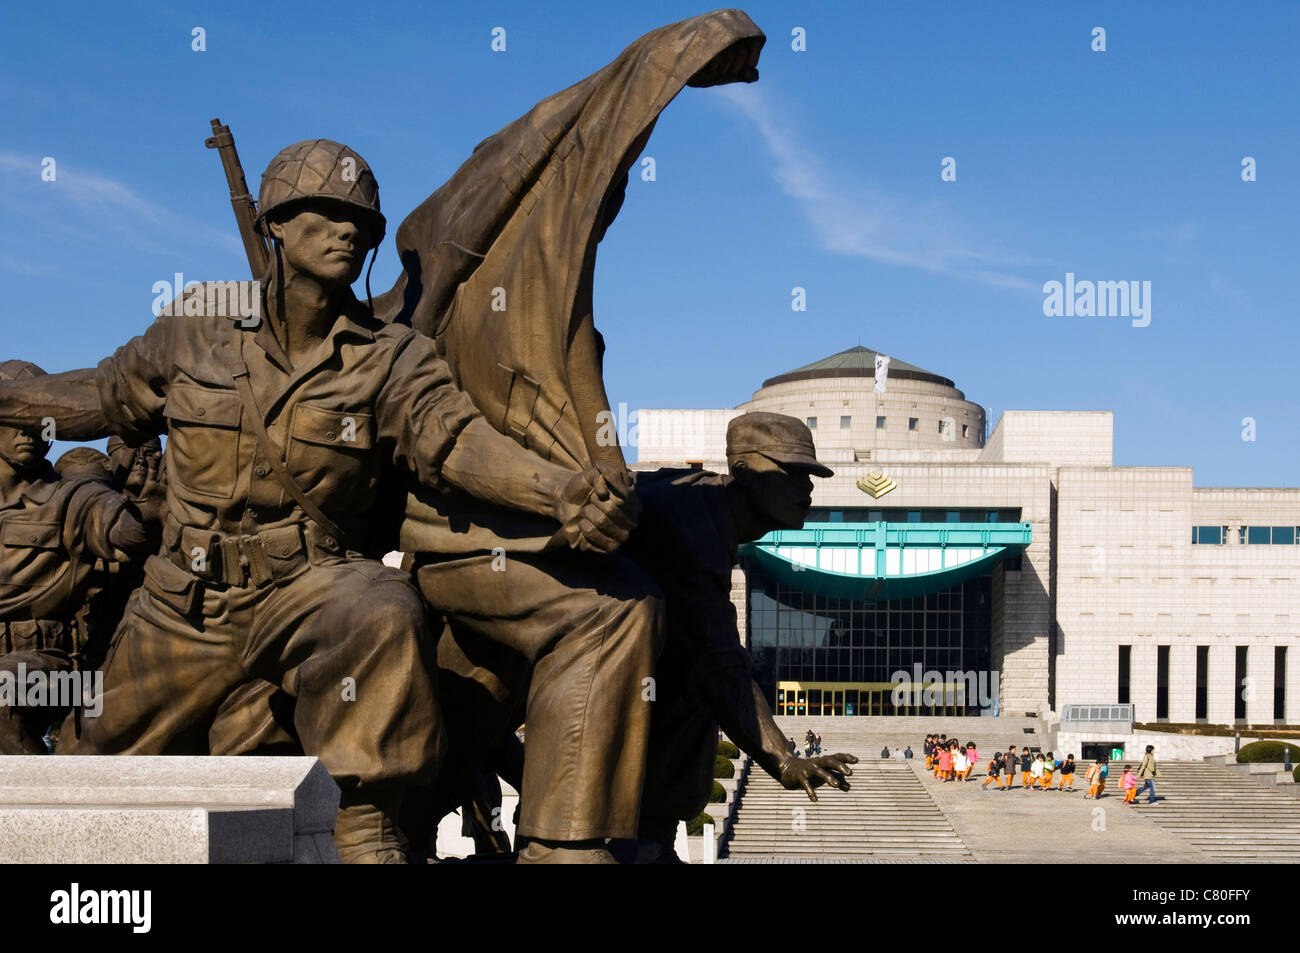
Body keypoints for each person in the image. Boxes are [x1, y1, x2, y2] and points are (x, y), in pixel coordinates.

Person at [0, 142, 640, 863]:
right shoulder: (197, 323)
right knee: (82, 791)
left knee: (380, 605)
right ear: (274, 222)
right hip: (183, 607)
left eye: (359, 222)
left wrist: (560, 490)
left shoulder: (389, 354)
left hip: (307, 587)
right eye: (326, 213)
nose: (347, 231)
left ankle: (367, 826)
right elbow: (103, 395)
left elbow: (453, 441)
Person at [614, 413, 858, 862]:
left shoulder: (707, 507)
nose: (807, 489)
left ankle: (649, 837)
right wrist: (783, 759)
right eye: (793, 474)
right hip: (579, 654)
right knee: (694, 687)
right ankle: (640, 838)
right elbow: (717, 658)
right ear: (743, 472)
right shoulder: (693, 521)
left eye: (811, 475)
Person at [0, 362, 162, 754]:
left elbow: (117, 528)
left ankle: (38, 811)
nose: (30, 430)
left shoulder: (71, 496)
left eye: (42, 420)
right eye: (18, 417)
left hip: (52, 666)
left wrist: (146, 510)